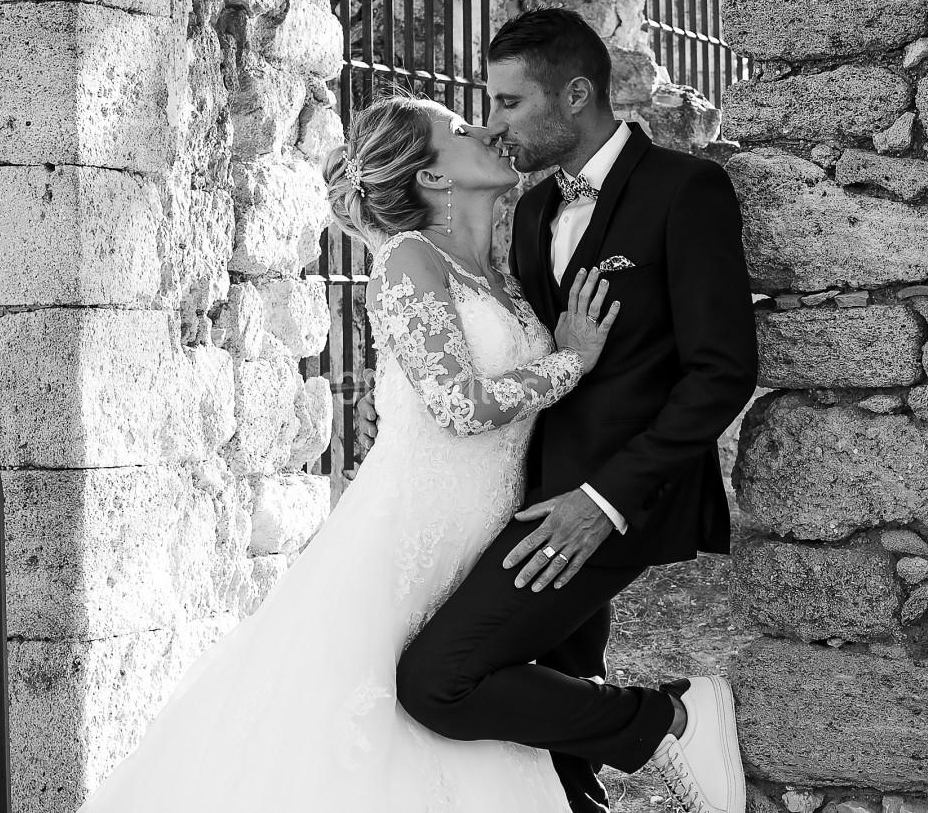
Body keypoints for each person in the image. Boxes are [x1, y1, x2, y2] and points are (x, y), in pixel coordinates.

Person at [75, 91, 626, 811]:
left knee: (467, 697)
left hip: (486, 528)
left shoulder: (497, 267)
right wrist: (572, 362)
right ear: (431, 177)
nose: (488, 129)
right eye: (461, 129)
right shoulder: (406, 262)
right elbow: (458, 406)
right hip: (412, 534)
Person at [358, 8, 757, 813]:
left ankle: (673, 720)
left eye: (509, 103)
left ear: (575, 94)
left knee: (440, 678)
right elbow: (532, 365)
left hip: (613, 501)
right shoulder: (534, 211)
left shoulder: (687, 190)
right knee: (548, 710)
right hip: (519, 499)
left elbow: (721, 372)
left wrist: (603, 500)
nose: (495, 125)